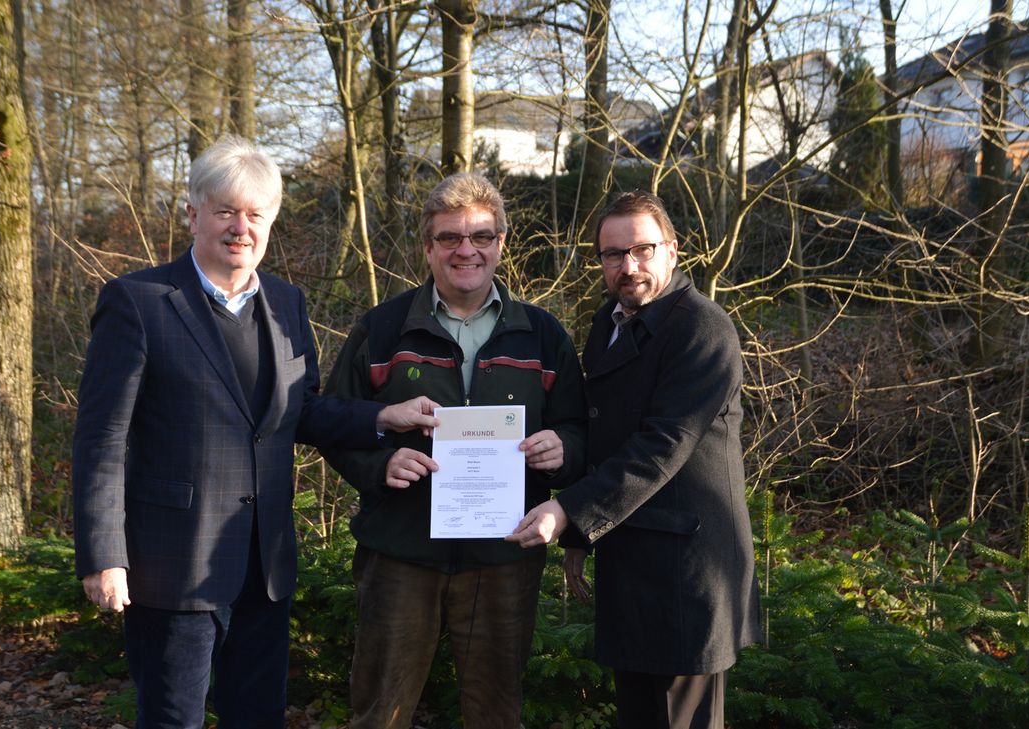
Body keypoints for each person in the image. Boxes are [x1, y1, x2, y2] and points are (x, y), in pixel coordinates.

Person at [72, 135, 438, 729]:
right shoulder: (137, 302)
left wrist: (381, 417)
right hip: (173, 565)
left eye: (255, 214)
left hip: (263, 567)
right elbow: (102, 439)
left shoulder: (288, 304)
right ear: (193, 215)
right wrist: (104, 556)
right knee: (172, 720)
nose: (241, 227)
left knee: (258, 717)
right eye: (225, 211)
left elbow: (303, 413)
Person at [319, 172, 587, 729]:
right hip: (399, 552)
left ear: (501, 244)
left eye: (482, 237)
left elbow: (581, 431)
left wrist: (563, 448)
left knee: (496, 713)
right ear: (428, 246)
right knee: (378, 712)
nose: (466, 250)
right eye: (449, 238)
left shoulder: (542, 334)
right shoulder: (384, 329)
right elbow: (331, 421)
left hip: (504, 558)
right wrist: (380, 463)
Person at [506, 191, 762, 729]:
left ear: (672, 249)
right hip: (632, 556)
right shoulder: (610, 323)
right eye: (613, 254)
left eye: (643, 250)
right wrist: (580, 535)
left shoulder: (702, 328)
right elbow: (606, 438)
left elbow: (663, 445)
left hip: (688, 570)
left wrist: (570, 512)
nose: (629, 267)